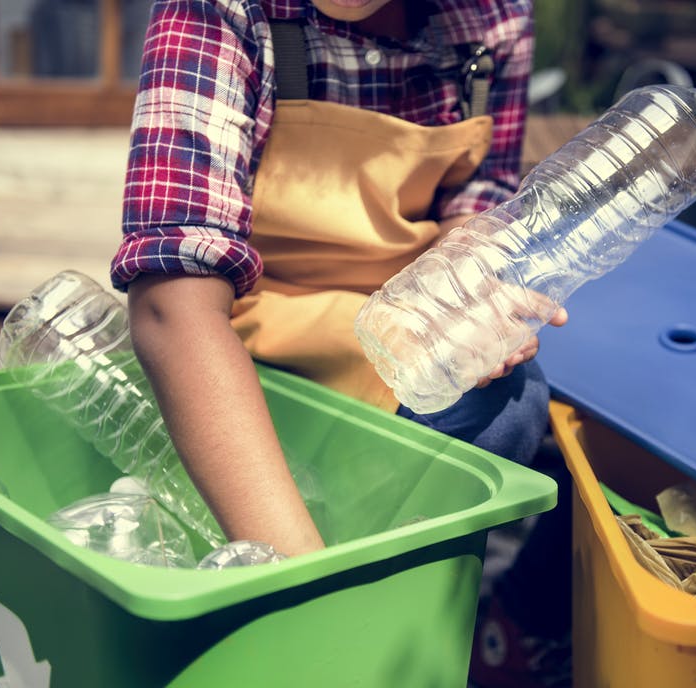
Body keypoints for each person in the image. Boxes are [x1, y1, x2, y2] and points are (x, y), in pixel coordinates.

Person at [110, 0, 568, 682]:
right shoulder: (222, 11)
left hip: (390, 332)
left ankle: (410, 624)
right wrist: (305, 592)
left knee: (512, 402)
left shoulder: (493, 18)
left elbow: (477, 197)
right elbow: (173, 306)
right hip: (247, 343)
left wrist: (468, 275)